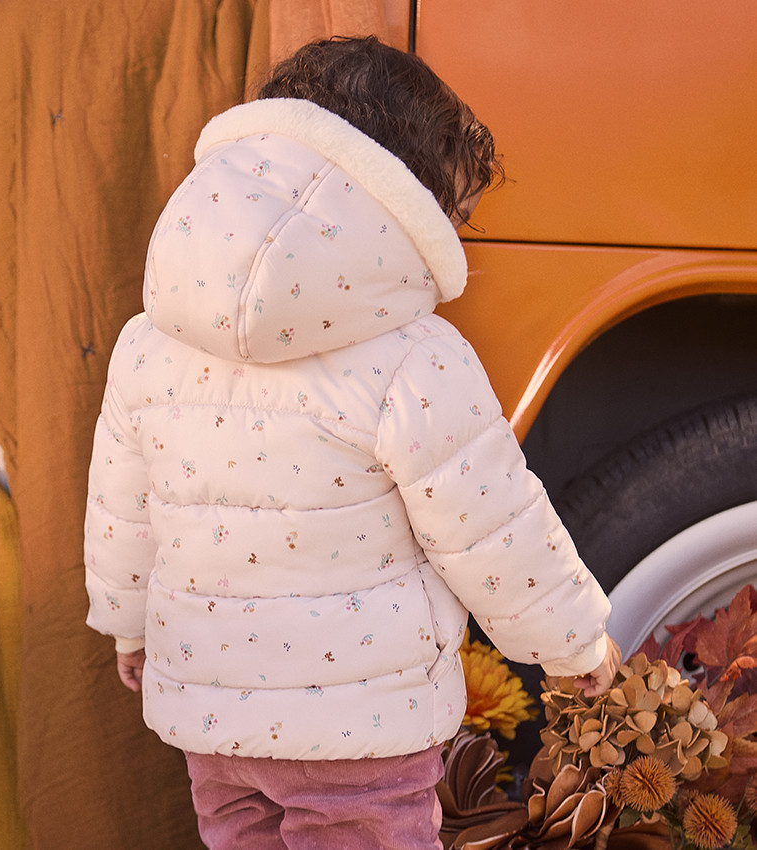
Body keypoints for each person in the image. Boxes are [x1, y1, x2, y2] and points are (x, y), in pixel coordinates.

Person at [83, 35, 621, 850]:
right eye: (452, 217)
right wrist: (572, 642)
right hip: (363, 731)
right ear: (399, 201)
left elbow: (122, 511)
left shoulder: (149, 342)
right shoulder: (415, 357)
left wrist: (128, 625)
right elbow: (491, 527)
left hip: (212, 717)